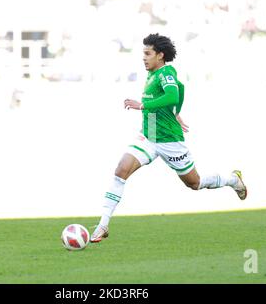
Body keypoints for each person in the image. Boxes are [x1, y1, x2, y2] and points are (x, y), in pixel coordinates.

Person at [90, 33, 247, 243]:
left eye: (148, 54)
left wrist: (145, 105)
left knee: (194, 183)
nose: (144, 58)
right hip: (149, 135)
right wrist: (175, 112)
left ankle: (233, 180)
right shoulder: (152, 74)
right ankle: (103, 225)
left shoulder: (166, 72)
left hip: (169, 139)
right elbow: (179, 92)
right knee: (120, 171)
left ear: (160, 55)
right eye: (143, 54)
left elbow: (173, 94)